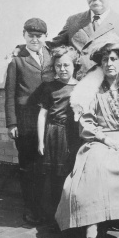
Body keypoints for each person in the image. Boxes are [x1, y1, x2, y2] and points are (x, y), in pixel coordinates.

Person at [55, 35, 119, 238]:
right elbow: (86, 122)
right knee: (93, 170)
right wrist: (106, 140)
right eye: (105, 60)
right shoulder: (92, 88)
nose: (109, 64)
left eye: (114, 59)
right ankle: (91, 231)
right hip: (99, 140)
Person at [5, 18, 54, 224]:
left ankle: (45, 207)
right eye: (30, 35)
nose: (35, 39)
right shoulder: (17, 61)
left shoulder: (51, 55)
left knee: (44, 165)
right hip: (25, 123)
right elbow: (10, 94)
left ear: (45, 37)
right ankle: (30, 208)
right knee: (28, 167)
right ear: (24, 35)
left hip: (48, 121)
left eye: (39, 36)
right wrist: (12, 123)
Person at [37, 48, 80, 220]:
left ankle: (70, 213)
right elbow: (43, 115)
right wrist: (41, 141)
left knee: (71, 174)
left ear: (74, 65)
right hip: (54, 134)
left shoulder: (80, 87)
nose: (62, 69)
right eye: (58, 65)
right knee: (55, 176)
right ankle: (56, 215)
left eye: (66, 65)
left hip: (73, 135)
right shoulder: (49, 88)